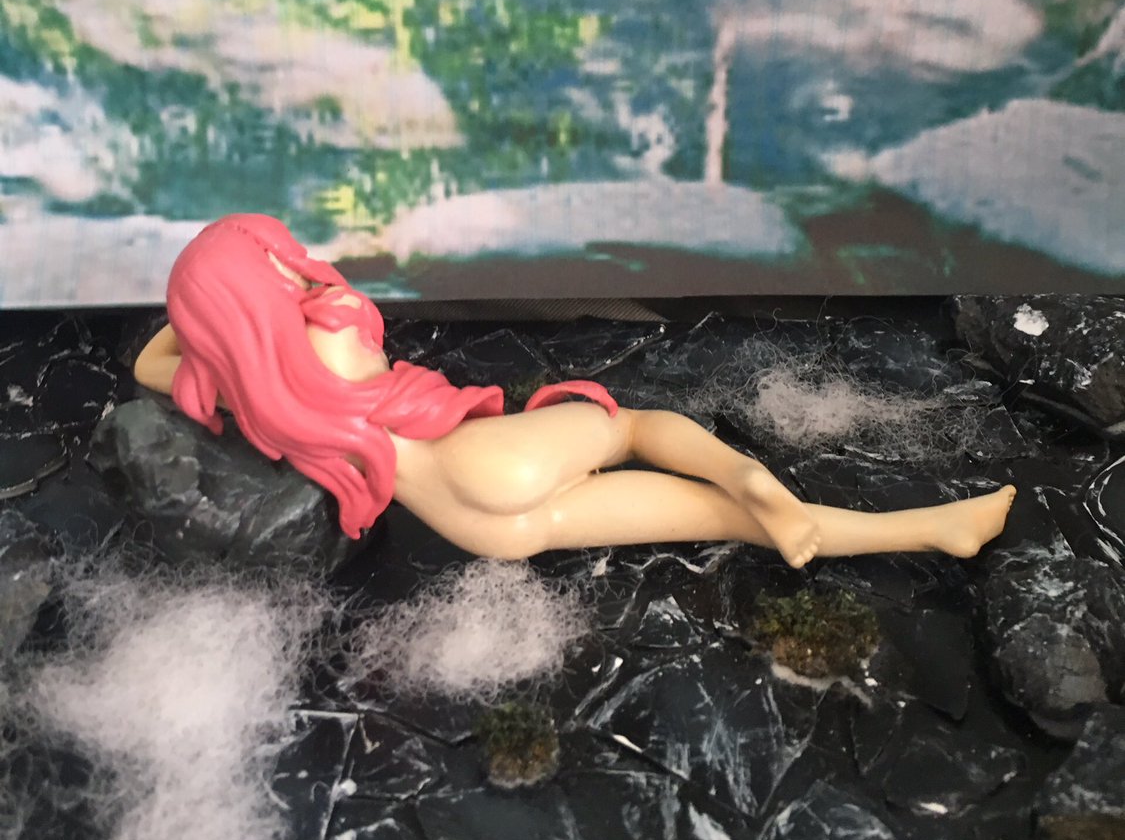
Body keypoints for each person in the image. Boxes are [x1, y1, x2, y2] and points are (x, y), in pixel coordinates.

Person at [134, 214, 1015, 567]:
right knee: (629, 426)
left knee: (713, 522)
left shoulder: (253, 391)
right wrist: (250, 285)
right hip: (484, 457)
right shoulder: (330, 322)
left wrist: (211, 317)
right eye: (274, 256)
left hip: (481, 527)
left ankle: (932, 529)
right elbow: (291, 295)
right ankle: (750, 477)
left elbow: (150, 363)